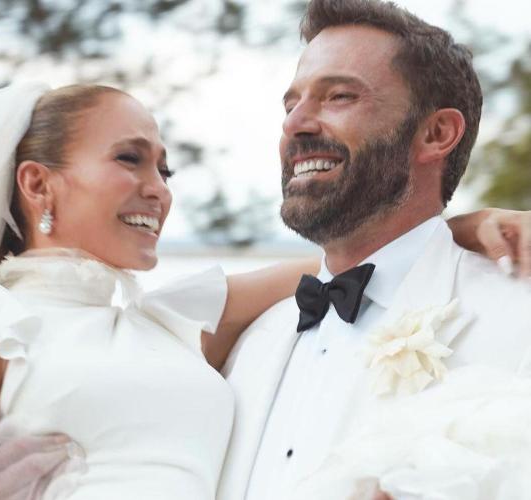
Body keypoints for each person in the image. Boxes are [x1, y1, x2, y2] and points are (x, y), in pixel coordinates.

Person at [0, 82, 528, 500]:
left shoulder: (166, 323)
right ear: (38, 184)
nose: (158, 189)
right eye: (129, 158)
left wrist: (461, 228)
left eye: (164, 168)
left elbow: (346, 267)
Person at [218, 1, 531, 500]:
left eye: (339, 96)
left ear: (436, 134)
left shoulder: (518, 317)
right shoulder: (250, 344)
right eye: (290, 104)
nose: (295, 124)